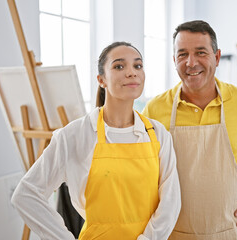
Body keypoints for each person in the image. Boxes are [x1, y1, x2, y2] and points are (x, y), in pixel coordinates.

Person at [12, 42, 181, 240]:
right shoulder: (74, 135)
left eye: (138, 66)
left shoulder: (158, 134)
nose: (131, 72)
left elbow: (171, 202)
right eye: (119, 66)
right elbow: (26, 195)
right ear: (101, 80)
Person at [142, 20, 237, 239]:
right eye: (182, 54)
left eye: (200, 52)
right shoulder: (155, 109)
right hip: (172, 232)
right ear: (174, 60)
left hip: (231, 231)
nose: (191, 63)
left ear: (217, 57)